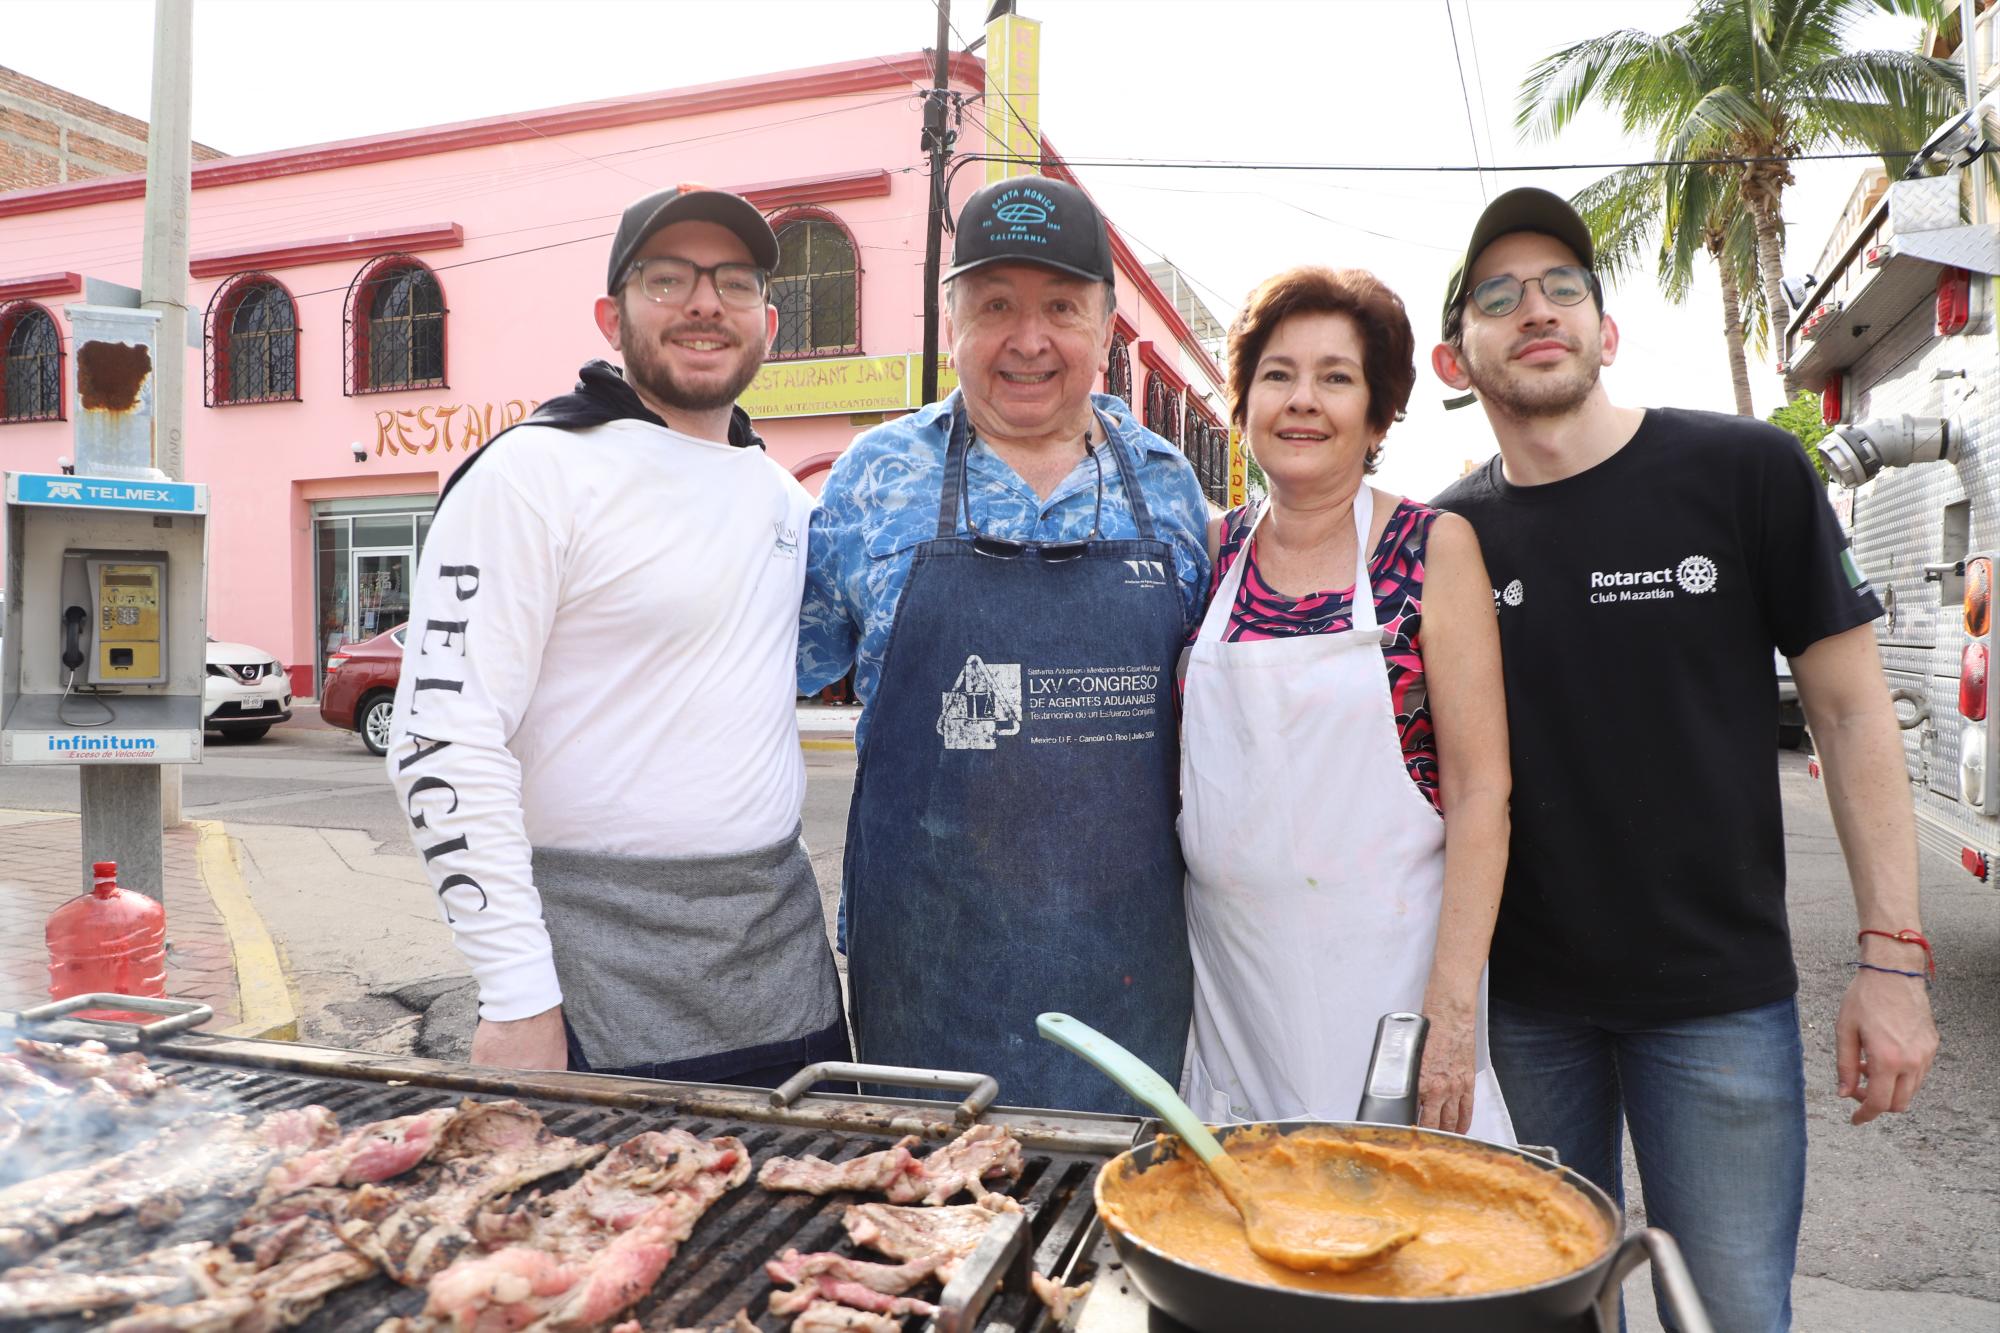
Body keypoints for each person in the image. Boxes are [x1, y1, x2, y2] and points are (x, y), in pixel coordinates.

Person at [1430, 187, 1939, 1331]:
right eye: (1497, 297)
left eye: (1563, 286)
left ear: (1605, 333)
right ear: (1454, 355)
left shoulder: (1743, 471)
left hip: (1716, 1006)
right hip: (1529, 1011)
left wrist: (1893, 958)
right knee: (1547, 1310)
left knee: (1726, 1314)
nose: (1535, 309)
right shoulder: (1451, 534)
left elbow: (1854, 716)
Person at [385, 185, 846, 1085]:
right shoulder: (530, 473)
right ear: (611, 314)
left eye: (735, 282)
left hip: (784, 977)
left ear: (769, 322)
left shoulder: (786, 501)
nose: (706, 303)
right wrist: (517, 997)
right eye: (668, 278)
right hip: (593, 983)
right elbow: (440, 737)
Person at [797, 176, 1211, 1113]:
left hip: (1129, 964)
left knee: (1111, 1234)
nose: (1029, 340)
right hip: (927, 964)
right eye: (996, 307)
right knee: (927, 1224)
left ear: (1106, 329)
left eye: (1061, 307)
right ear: (953, 326)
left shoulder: (1170, 486)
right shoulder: (873, 477)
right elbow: (766, 670)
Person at [1179, 266, 1513, 1142]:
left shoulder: (1434, 547)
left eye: (1336, 377)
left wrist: (1450, 1009)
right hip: (1234, 996)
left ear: (1377, 413)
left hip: (1392, 991)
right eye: (1278, 375)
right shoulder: (1213, 551)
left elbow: (1482, 792)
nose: (1302, 401)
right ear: (1246, 400)